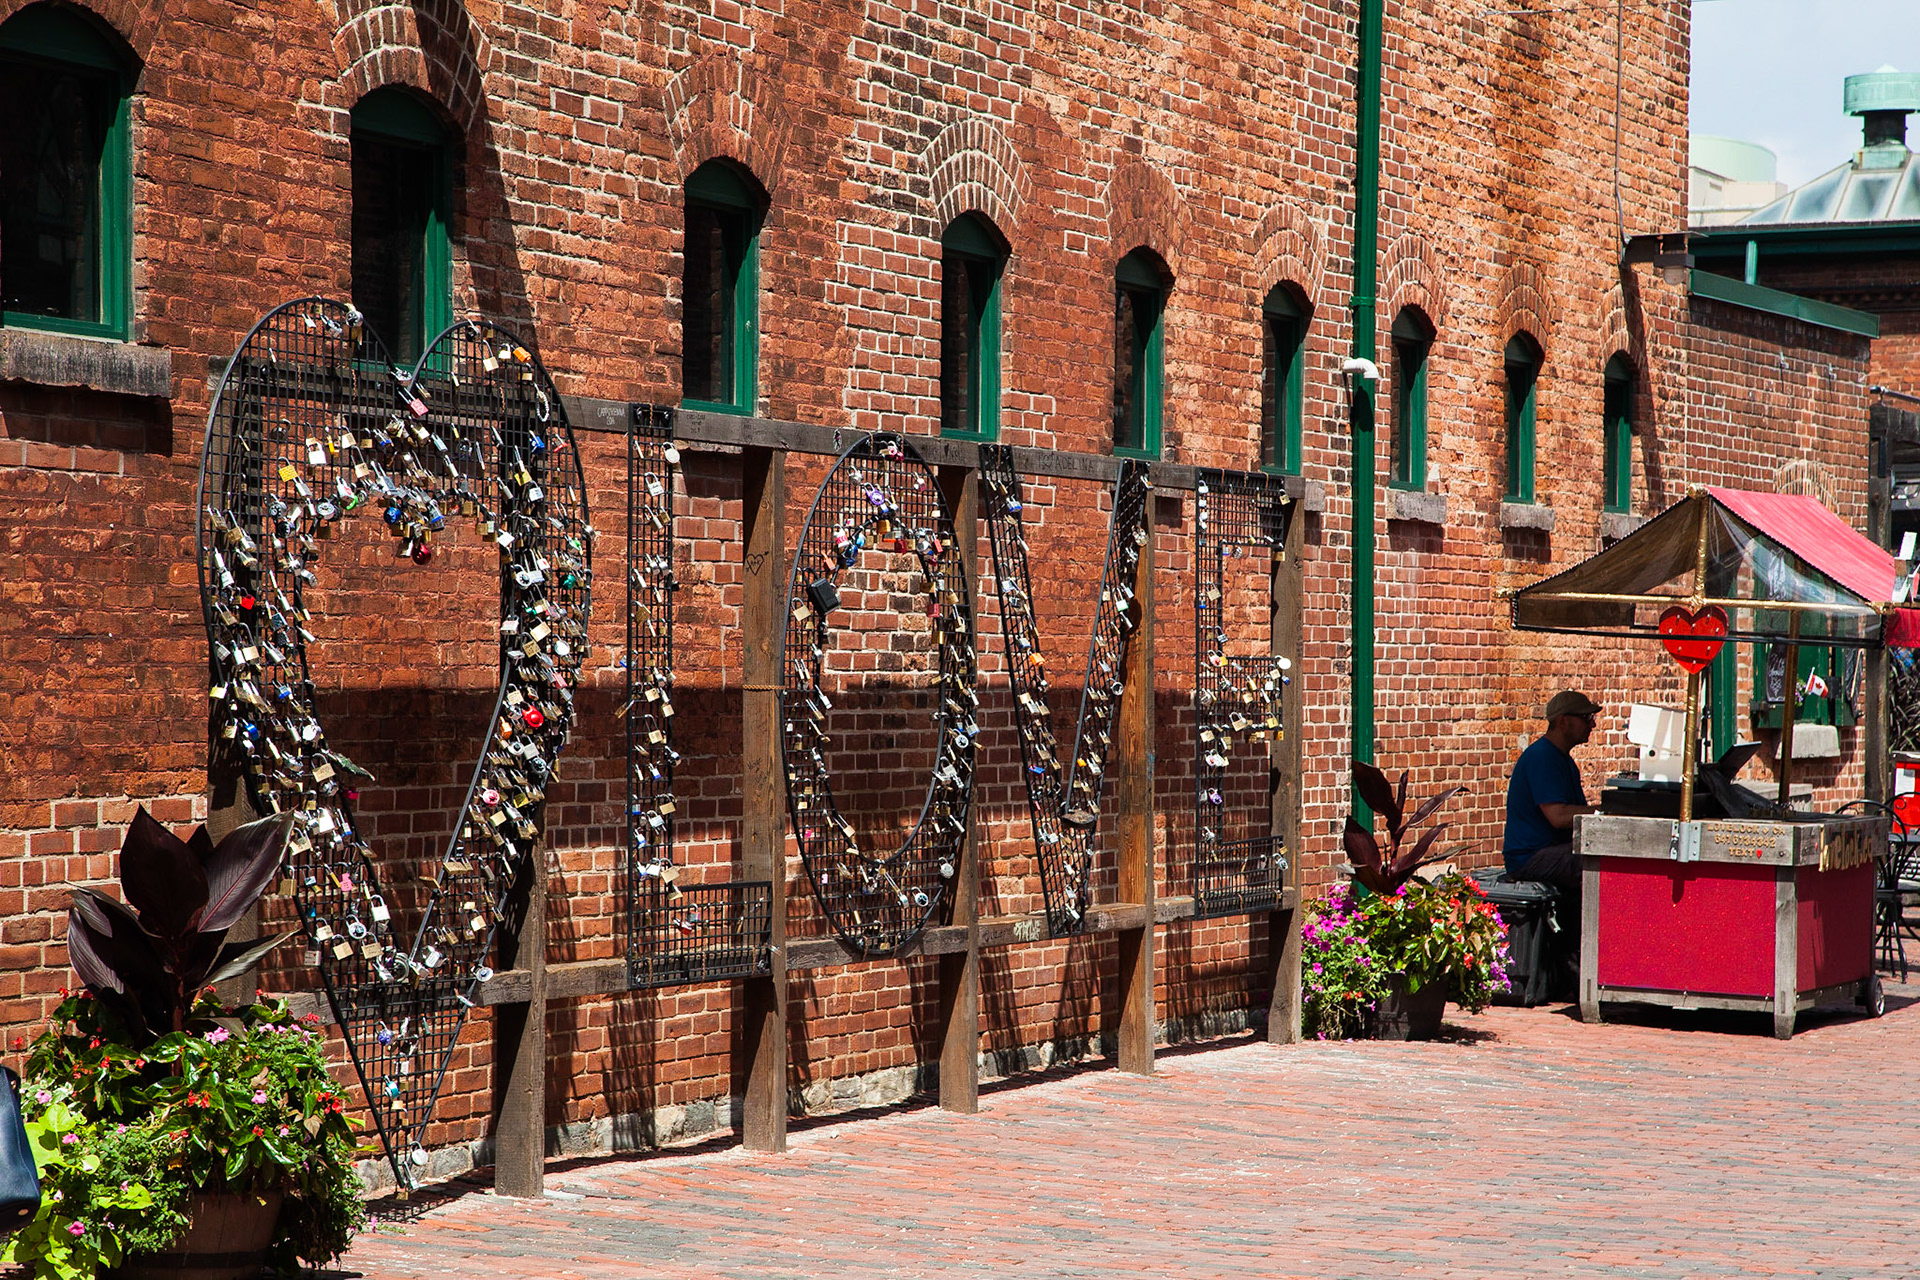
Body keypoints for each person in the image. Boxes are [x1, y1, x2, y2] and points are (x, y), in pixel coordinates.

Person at [1503, 690, 1600, 895]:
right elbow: (1558, 817)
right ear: (1563, 721)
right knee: (1598, 859)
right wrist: (1605, 812)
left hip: (1551, 851)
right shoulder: (1542, 757)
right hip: (1530, 857)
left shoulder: (1564, 760)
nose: (1592, 724)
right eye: (1586, 718)